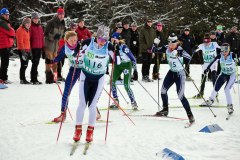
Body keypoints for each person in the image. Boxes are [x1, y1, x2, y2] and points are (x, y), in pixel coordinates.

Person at [73, 26, 114, 142]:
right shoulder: (88, 42)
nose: (102, 43)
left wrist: (117, 49)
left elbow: (118, 60)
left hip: (99, 78)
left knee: (92, 106)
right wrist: (78, 48)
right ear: (96, 37)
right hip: (85, 76)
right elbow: (75, 52)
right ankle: (78, 130)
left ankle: (90, 132)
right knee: (82, 104)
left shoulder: (108, 46)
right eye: (101, 40)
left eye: (105, 40)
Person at [152, 33, 195, 124]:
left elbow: (190, 57)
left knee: (180, 95)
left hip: (180, 74)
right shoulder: (166, 47)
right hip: (171, 72)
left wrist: (179, 54)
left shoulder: (180, 49)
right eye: (170, 43)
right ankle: (165, 109)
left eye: (173, 44)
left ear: (176, 43)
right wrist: (155, 44)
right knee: (163, 91)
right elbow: (154, 50)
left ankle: (190, 115)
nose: (171, 46)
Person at [47, 31, 82, 122]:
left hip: (84, 70)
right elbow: (59, 57)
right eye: (71, 40)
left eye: (75, 40)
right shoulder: (65, 47)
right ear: (66, 40)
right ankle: (63, 114)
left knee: (86, 92)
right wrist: (52, 61)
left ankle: (95, 112)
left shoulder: (81, 45)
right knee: (66, 90)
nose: (74, 42)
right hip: (73, 69)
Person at [201, 43, 235, 115]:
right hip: (223, 74)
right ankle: (211, 100)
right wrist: (207, 68)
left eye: (226, 51)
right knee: (216, 87)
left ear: (229, 50)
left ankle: (230, 106)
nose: (224, 52)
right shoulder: (220, 56)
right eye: (223, 50)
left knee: (226, 90)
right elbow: (213, 61)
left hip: (231, 75)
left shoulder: (233, 55)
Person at [109, 38, 138, 110]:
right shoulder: (110, 47)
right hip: (117, 66)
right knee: (112, 82)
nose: (114, 41)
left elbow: (132, 58)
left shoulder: (123, 46)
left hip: (126, 65)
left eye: (115, 40)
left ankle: (133, 102)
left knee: (126, 85)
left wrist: (135, 70)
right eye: (112, 40)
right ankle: (115, 100)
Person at [193, 33, 221, 98]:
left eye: (208, 42)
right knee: (203, 76)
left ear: (210, 41)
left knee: (213, 76)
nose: (206, 44)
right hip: (206, 63)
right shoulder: (202, 45)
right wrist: (195, 48)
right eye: (205, 42)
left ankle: (215, 92)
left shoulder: (214, 44)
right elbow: (195, 50)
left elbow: (222, 48)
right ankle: (201, 92)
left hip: (213, 62)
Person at [44, 8, 65, 84]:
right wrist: (53, 37)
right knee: (49, 62)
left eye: (63, 14)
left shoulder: (63, 23)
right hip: (49, 45)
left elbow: (61, 35)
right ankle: (49, 79)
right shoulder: (51, 22)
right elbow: (46, 34)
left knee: (55, 62)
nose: (61, 16)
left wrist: (59, 37)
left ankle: (55, 78)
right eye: (60, 14)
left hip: (56, 46)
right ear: (57, 14)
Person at [0, 8, 15, 84]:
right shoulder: (2, 23)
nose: (7, 16)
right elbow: (11, 32)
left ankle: (2, 78)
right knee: (4, 63)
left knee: (4, 63)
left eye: (8, 15)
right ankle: (3, 78)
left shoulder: (4, 22)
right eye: (6, 15)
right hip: (4, 45)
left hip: (4, 45)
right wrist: (12, 30)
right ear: (2, 15)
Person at [29, 12, 44, 84]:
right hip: (34, 47)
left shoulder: (40, 27)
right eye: (34, 19)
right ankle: (33, 79)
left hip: (39, 47)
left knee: (37, 63)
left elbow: (42, 38)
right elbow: (29, 38)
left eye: (37, 18)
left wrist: (43, 47)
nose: (36, 20)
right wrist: (30, 48)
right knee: (34, 63)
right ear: (32, 19)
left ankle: (35, 78)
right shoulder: (31, 27)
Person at [16, 17, 32, 84]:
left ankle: (23, 78)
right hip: (22, 50)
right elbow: (20, 41)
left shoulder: (27, 30)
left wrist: (29, 51)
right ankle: (22, 79)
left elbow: (27, 41)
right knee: (24, 65)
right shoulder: (20, 30)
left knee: (25, 65)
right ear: (24, 23)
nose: (28, 24)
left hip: (27, 49)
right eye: (27, 23)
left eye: (29, 23)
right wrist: (23, 52)